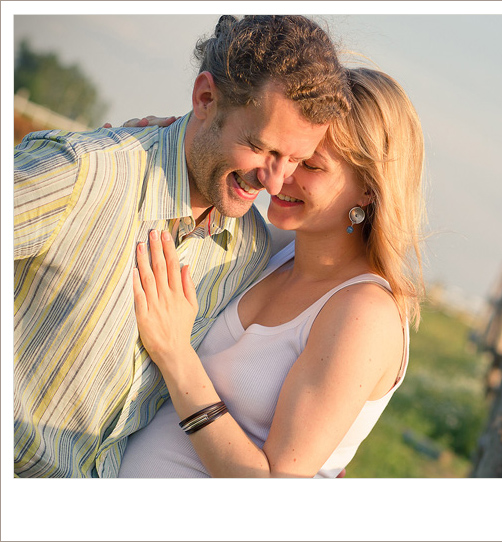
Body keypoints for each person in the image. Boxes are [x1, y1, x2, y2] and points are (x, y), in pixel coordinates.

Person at [13, 15, 351, 478]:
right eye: (261, 147)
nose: (274, 181)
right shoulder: (82, 174)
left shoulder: (248, 252)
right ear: (206, 99)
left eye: (294, 160)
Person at [117, 67, 426, 477]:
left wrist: (176, 356)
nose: (280, 175)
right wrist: (155, 145)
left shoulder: (364, 315)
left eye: (309, 165)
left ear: (370, 188)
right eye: (287, 152)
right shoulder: (271, 250)